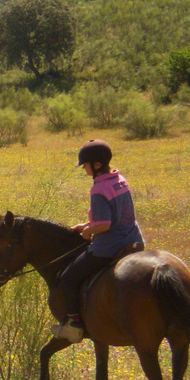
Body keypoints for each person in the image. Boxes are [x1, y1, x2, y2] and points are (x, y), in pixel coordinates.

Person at [55, 139, 145, 343]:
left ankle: (75, 324)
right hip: (133, 239)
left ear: (96, 165)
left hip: (110, 246)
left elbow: (104, 225)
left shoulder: (98, 189)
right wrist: (86, 224)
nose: (84, 169)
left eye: (85, 165)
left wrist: (88, 232)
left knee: (68, 278)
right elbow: (113, 216)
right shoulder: (119, 179)